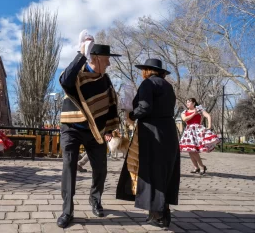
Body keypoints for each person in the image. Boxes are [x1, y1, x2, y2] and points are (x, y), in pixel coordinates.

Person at [57, 37, 121, 228]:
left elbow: (110, 106)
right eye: (107, 59)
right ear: (96, 58)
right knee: (69, 166)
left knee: (100, 168)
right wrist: (81, 55)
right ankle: (67, 211)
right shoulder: (77, 75)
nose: (109, 63)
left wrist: (109, 129)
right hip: (71, 129)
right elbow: (64, 80)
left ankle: (95, 199)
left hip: (97, 132)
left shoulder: (106, 80)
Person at [118, 59, 180, 229]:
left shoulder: (148, 83)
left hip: (152, 132)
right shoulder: (167, 86)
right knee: (165, 171)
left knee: (152, 170)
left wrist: (132, 115)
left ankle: (157, 214)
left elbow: (145, 107)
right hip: (168, 131)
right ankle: (163, 210)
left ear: (147, 70)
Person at [179, 98, 220, 175]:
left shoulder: (199, 109)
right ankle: (196, 167)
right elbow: (185, 119)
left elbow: (208, 116)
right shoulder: (184, 112)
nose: (187, 103)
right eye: (187, 102)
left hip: (197, 131)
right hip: (188, 131)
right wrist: (194, 114)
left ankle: (201, 166)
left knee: (194, 150)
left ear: (194, 103)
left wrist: (209, 126)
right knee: (190, 150)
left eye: (189, 102)